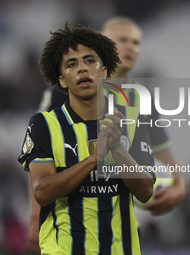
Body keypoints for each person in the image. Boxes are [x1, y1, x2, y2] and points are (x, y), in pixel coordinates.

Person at [19, 22, 155, 254]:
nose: (82, 69)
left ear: (103, 70)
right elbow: (42, 191)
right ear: (62, 80)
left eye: (90, 60)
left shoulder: (132, 120)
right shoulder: (44, 125)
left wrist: (118, 151)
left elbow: (145, 192)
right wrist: (94, 159)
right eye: (71, 64)